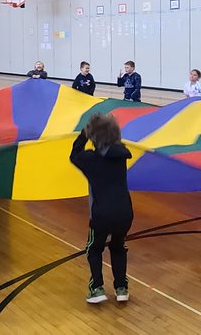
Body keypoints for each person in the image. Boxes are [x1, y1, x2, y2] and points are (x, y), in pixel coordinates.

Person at [70, 113, 133, 304]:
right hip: (124, 212)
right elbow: (113, 147)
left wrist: (84, 134)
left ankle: (96, 288)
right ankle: (121, 287)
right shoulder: (122, 154)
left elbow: (74, 154)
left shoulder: (90, 159)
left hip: (101, 214)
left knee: (94, 248)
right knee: (118, 247)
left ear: (93, 136)